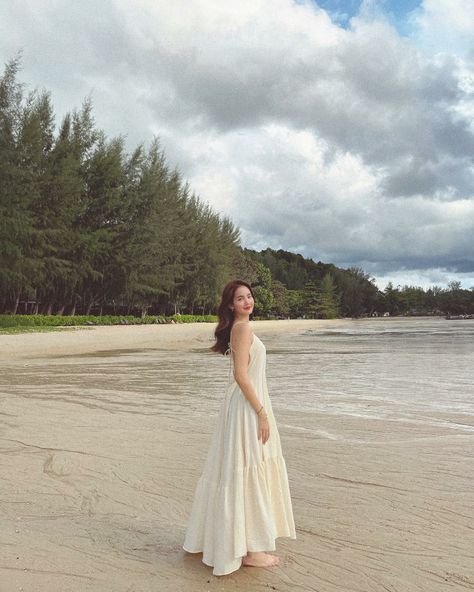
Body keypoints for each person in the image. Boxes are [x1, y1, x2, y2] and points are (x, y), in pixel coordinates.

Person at [182, 279, 296, 575]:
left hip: (245, 405)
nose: (247, 301)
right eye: (240, 298)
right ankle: (249, 551)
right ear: (231, 305)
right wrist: (261, 412)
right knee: (248, 468)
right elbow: (241, 375)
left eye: (249, 296)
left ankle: (240, 544)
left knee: (241, 469)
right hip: (247, 407)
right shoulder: (243, 328)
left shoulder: (242, 327)